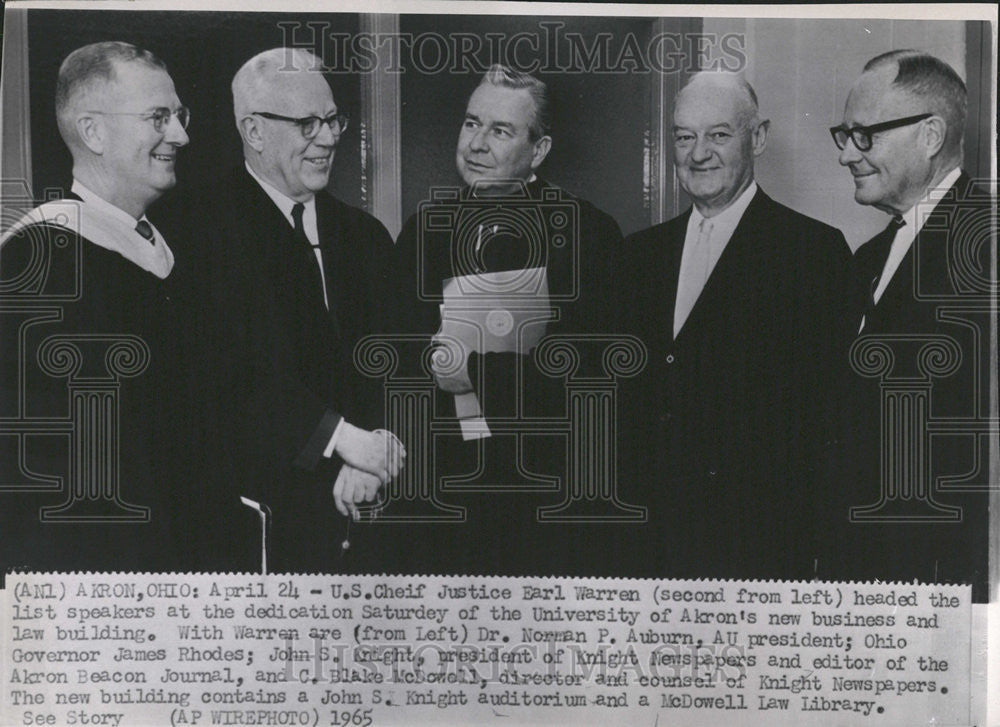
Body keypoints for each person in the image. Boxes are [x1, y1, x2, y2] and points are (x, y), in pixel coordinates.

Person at [160, 48, 403, 573]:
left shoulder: (366, 237)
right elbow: (222, 375)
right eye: (307, 123)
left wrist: (377, 446)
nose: (330, 137)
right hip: (254, 535)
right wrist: (342, 440)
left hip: (369, 528)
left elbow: (397, 358)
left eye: (333, 119)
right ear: (254, 131)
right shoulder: (193, 230)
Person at [384, 65, 631, 576]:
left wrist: (470, 371)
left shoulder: (588, 233)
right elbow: (392, 355)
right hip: (439, 493)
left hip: (545, 496)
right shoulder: (423, 230)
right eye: (471, 123)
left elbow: (592, 378)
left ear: (538, 150)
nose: (477, 143)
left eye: (500, 130)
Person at [619, 72, 853, 580]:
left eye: (719, 135)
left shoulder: (812, 252)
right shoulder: (637, 256)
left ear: (759, 138)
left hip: (757, 550)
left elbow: (829, 420)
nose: (698, 153)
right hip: (646, 549)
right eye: (684, 137)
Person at [0, 41, 192, 575]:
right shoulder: (42, 263)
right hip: (98, 572)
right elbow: (48, 473)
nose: (180, 135)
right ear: (93, 131)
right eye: (158, 117)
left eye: (179, 116)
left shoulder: (162, 252)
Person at [828, 50, 991, 600]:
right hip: (867, 569)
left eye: (864, 135)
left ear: (930, 135)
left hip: (943, 578)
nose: (847, 154)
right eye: (843, 135)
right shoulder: (868, 256)